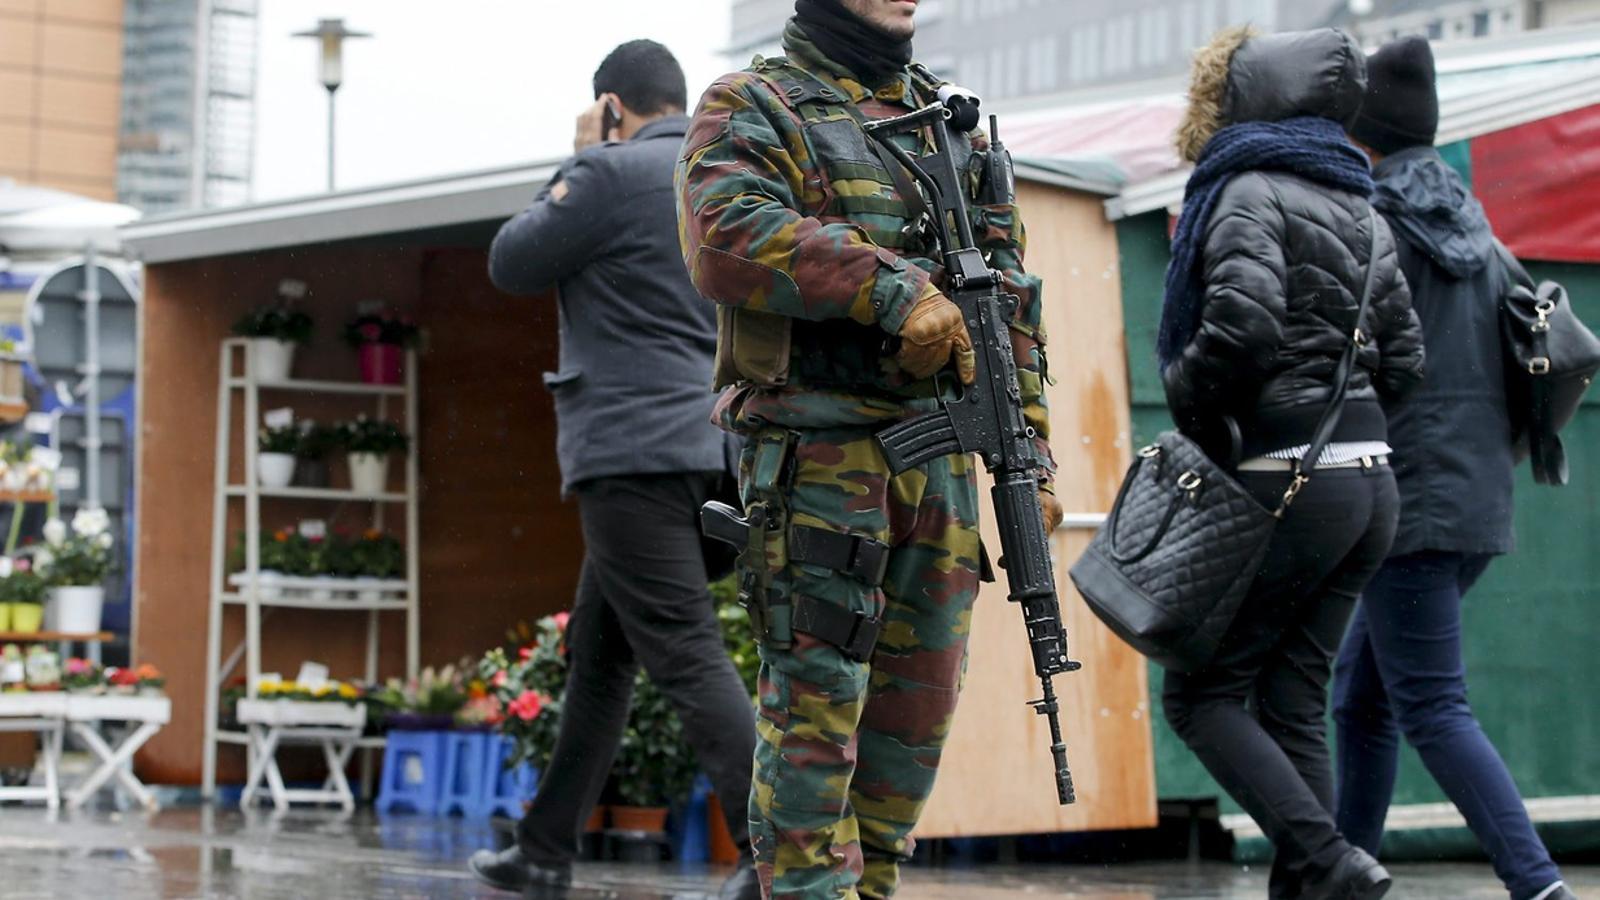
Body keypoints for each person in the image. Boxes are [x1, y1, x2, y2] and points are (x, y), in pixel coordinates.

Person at [676, 0, 1059, 896]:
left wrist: (1031, 452)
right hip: (821, 459)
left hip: (944, 463)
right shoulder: (754, 102)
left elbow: (1011, 298)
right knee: (814, 721)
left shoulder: (950, 122)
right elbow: (724, 233)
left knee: (908, 737)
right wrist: (887, 290)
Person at [467, 39, 760, 900]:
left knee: (686, 655)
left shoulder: (609, 173)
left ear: (611, 105)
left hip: (634, 457)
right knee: (599, 659)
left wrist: (583, 156)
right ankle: (543, 849)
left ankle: (775, 853)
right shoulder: (718, 182)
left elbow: (512, 261)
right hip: (717, 454)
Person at [1157, 27, 1425, 900]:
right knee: (1294, 699)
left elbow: (1242, 328)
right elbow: (1407, 361)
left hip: (1287, 475)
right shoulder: (1360, 200)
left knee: (1202, 696)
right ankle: (1319, 882)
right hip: (1369, 485)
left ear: (1240, 100)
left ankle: (1333, 862)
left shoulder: (1244, 187)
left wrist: (1183, 389)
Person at [1333, 36, 1577, 900]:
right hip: (1476, 495)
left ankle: (1538, 885)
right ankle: (1344, 873)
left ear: (1362, 136)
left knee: (1432, 706)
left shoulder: (1377, 226)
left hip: (1413, 501)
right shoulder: (1475, 223)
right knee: (1362, 699)